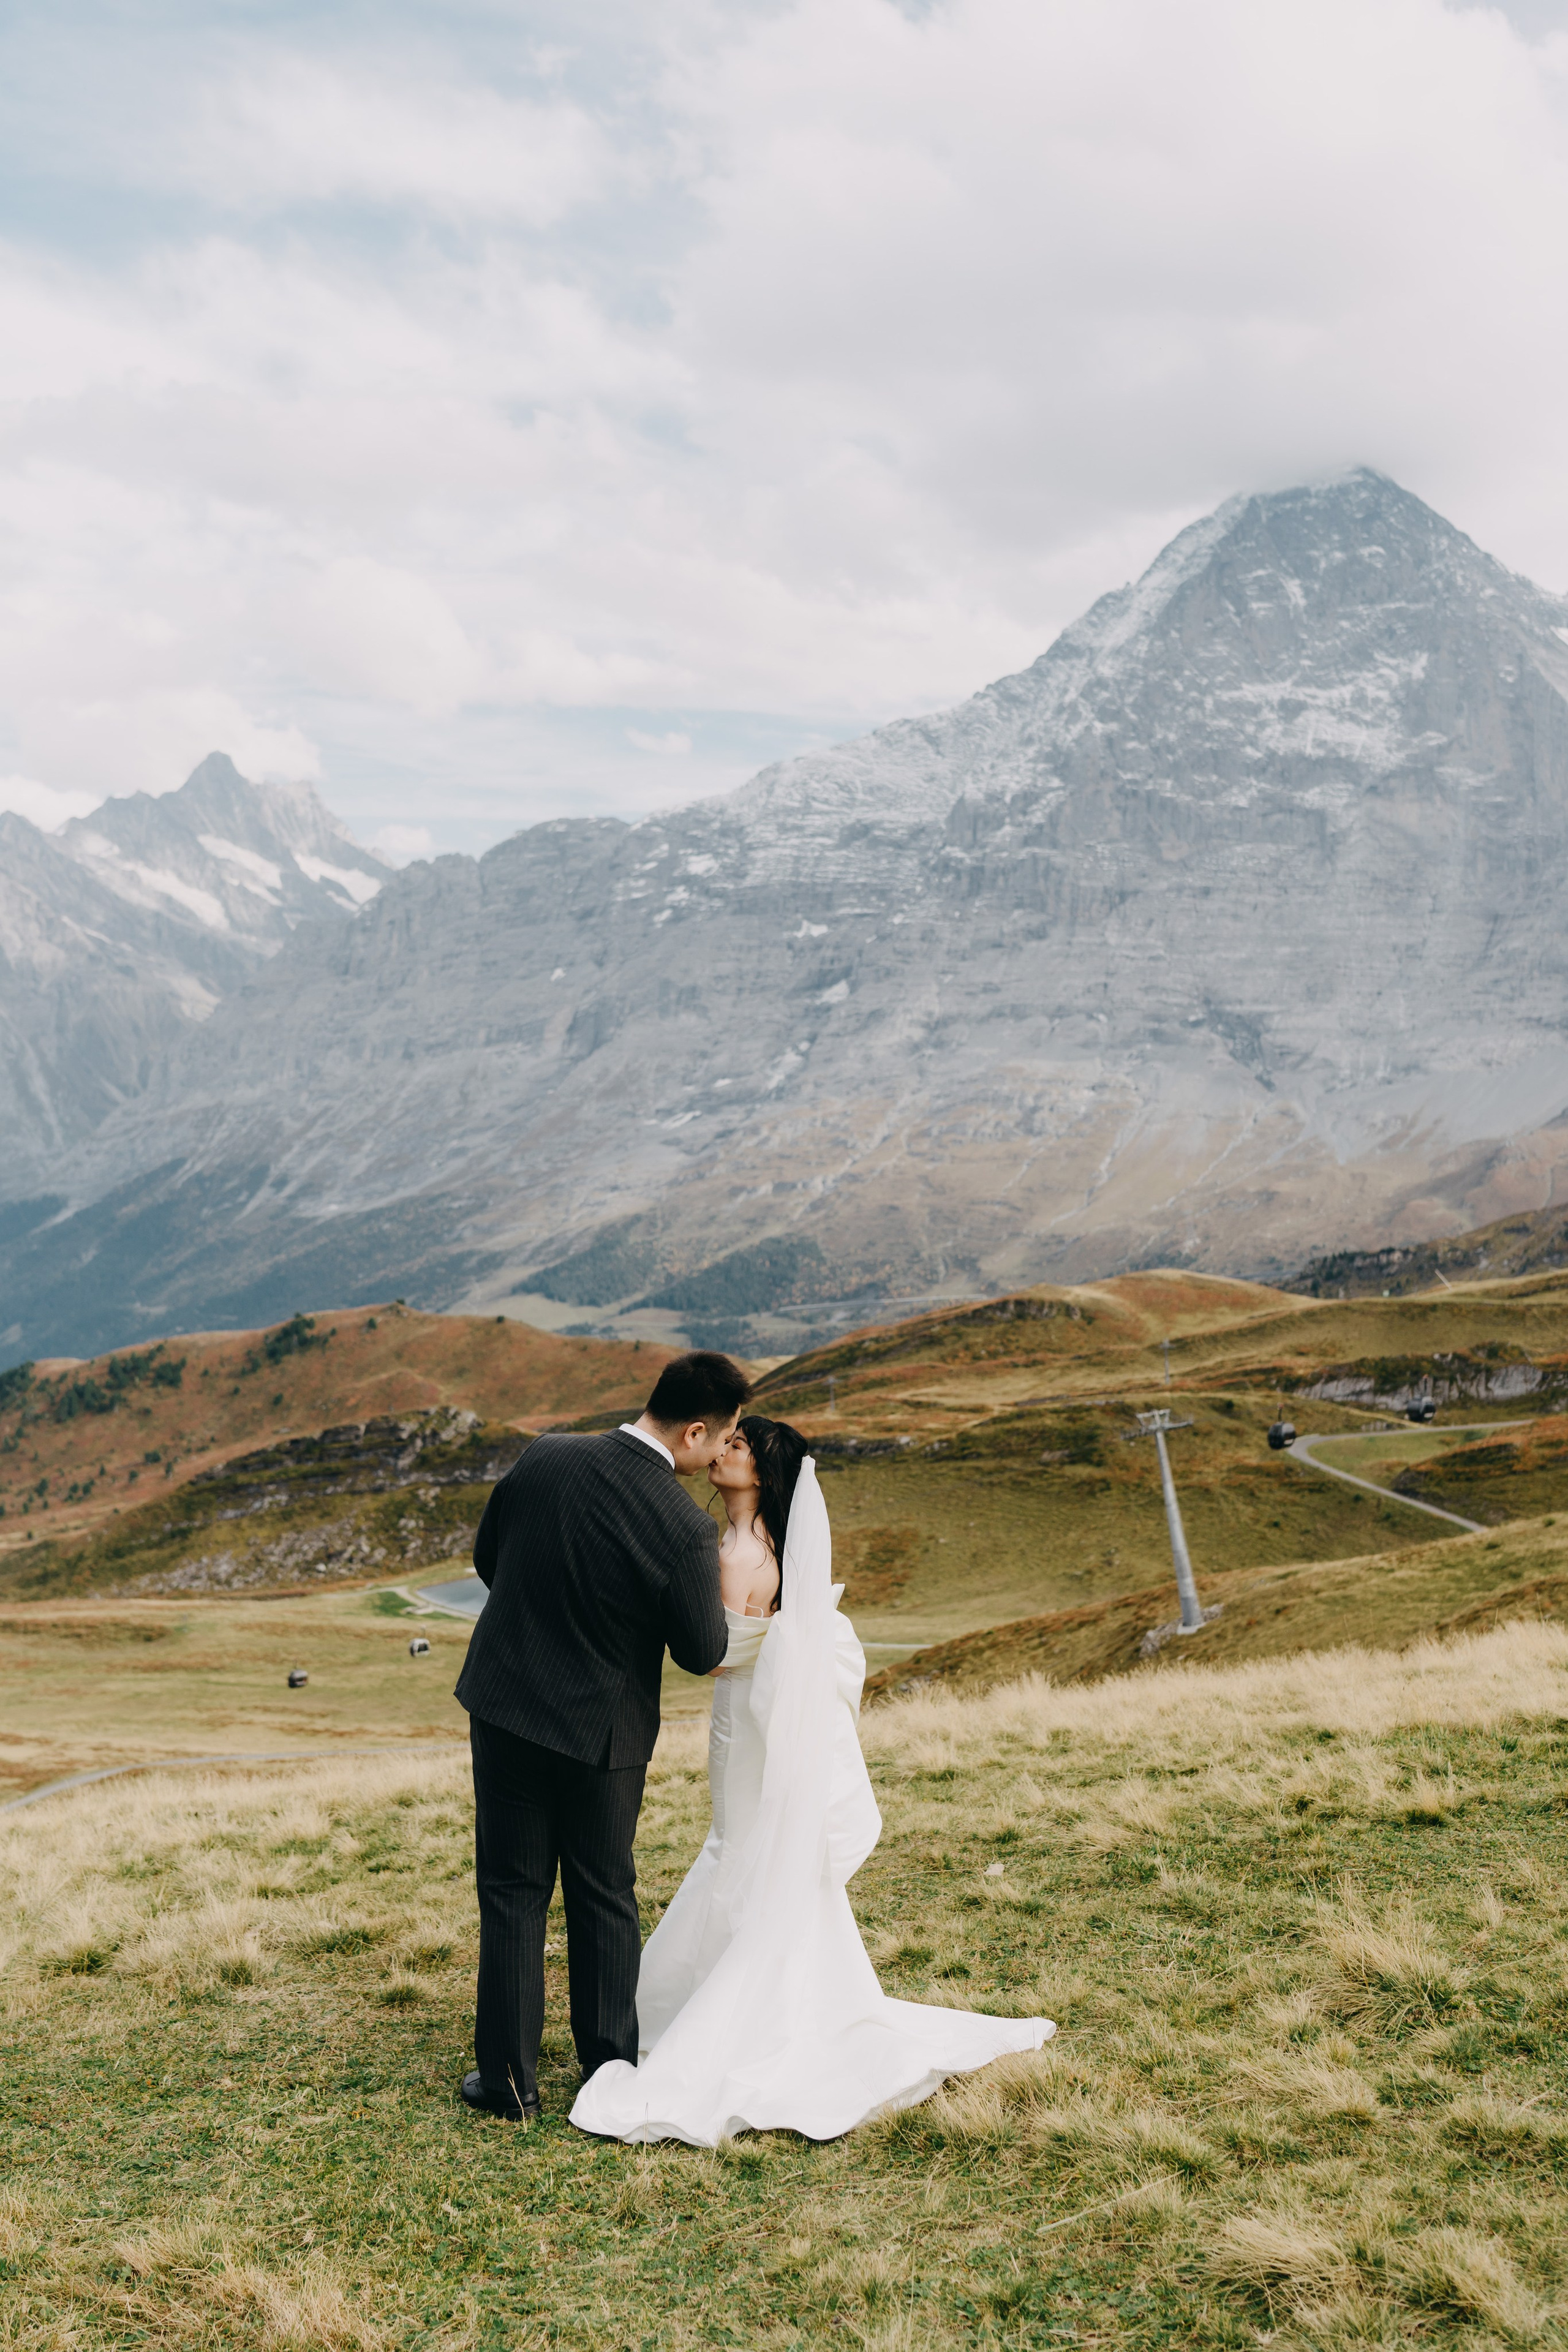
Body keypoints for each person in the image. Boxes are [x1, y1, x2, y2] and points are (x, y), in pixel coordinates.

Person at [570, 1414, 1054, 2146]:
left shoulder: (737, 1553)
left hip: (740, 1715)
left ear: (762, 1474)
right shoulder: (763, 1545)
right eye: (724, 1442)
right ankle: (742, 1992)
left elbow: (711, 1656)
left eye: (736, 1447)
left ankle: (728, 2010)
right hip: (758, 1714)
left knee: (735, 1845)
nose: (722, 1453)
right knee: (746, 1846)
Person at [453, 1349, 753, 2122]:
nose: (723, 1452)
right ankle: (608, 2070)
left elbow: (492, 1559)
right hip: (603, 1733)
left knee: (512, 1893)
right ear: (693, 1431)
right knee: (603, 1893)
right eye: (722, 1439)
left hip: (508, 1703)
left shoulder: (546, 1455)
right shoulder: (682, 1527)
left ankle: (510, 2084)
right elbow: (699, 1651)